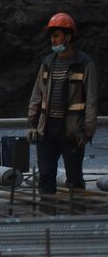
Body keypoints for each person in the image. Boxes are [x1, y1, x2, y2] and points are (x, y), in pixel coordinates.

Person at [27, 13, 97, 196]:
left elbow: (91, 100)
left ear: (68, 37)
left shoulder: (84, 64)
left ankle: (78, 219)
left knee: (74, 178)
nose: (53, 39)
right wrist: (32, 124)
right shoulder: (48, 62)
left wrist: (87, 131)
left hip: (72, 131)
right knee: (46, 176)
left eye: (56, 35)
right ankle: (46, 217)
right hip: (48, 129)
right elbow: (36, 94)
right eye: (51, 36)